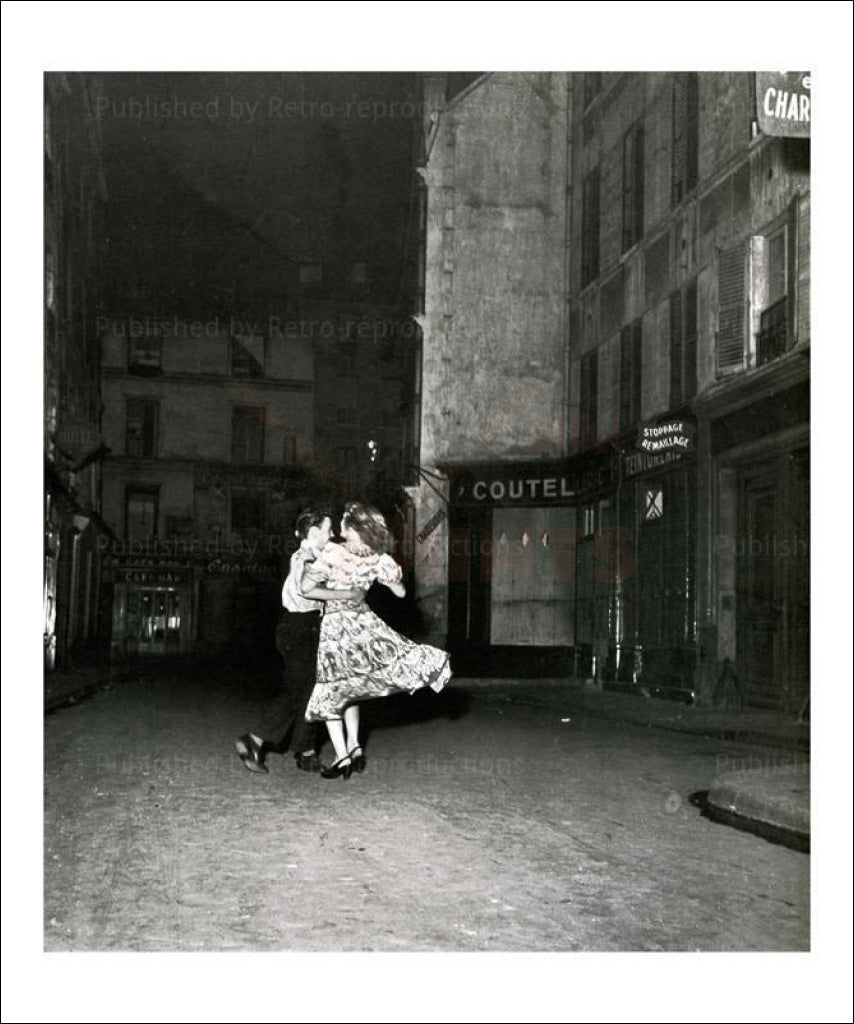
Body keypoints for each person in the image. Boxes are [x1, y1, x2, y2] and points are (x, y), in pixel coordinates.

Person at [300, 501, 452, 780]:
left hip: (336, 628)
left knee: (333, 690)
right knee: (353, 686)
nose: (339, 524)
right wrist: (379, 581)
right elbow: (400, 593)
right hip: (363, 624)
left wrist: (341, 594)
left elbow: (306, 588)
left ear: (352, 527)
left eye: (344, 520)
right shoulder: (379, 558)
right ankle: (355, 746)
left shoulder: (332, 552)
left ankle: (342, 755)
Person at [234, 507, 364, 774]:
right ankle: (255, 739)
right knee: (300, 692)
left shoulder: (314, 555)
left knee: (310, 691)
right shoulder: (305, 557)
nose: (331, 535)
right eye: (328, 531)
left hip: (305, 628)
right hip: (299, 628)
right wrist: (346, 594)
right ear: (314, 533)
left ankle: (305, 751)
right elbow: (307, 593)